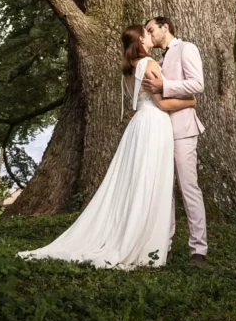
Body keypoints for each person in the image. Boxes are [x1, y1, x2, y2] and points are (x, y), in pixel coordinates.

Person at [16, 24, 197, 270]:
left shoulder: (127, 70)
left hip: (138, 125)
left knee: (138, 181)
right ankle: (144, 241)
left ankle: (147, 235)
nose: (151, 35)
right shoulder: (150, 64)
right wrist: (191, 100)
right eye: (147, 33)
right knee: (150, 180)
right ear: (142, 41)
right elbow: (163, 104)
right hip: (154, 124)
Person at [143, 16, 208, 266]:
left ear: (164, 27)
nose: (149, 34)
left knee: (189, 188)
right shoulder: (158, 60)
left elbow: (197, 84)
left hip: (183, 128)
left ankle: (198, 250)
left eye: (151, 29)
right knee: (164, 191)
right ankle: (165, 245)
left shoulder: (186, 48)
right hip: (161, 131)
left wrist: (164, 84)